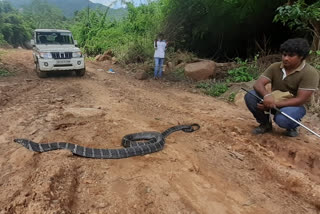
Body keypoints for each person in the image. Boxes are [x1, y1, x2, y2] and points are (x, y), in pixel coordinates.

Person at [244, 38, 319, 137]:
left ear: (301, 57)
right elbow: (258, 84)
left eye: (291, 55)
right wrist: (267, 96)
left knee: (282, 120)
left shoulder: (310, 73)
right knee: (250, 96)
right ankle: (265, 124)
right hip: (274, 99)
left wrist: (273, 104)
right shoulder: (275, 66)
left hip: (294, 106)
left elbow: (300, 100)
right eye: (284, 54)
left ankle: (292, 126)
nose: (285, 58)